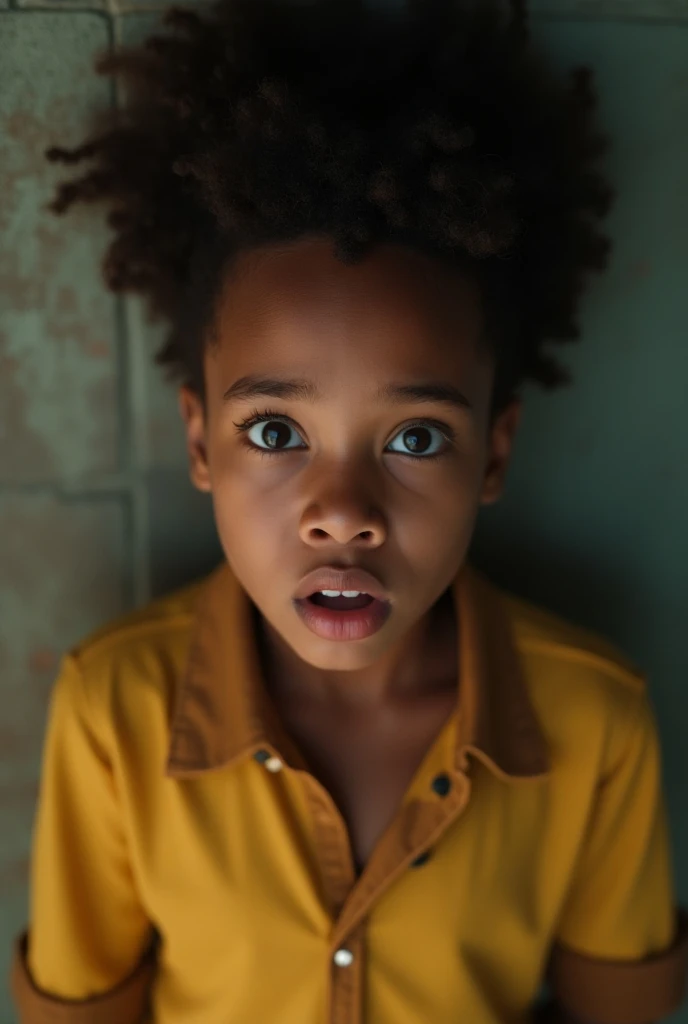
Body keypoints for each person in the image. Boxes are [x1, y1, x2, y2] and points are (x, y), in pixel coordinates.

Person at [9, 0, 687, 1021]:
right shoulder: (115, 710)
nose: (342, 513)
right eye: (276, 434)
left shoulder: (595, 720)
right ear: (199, 442)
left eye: (415, 438)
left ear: (493, 452)